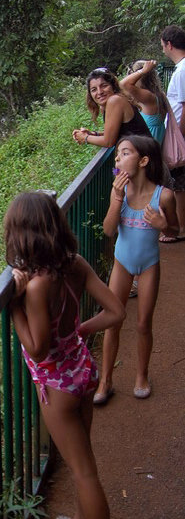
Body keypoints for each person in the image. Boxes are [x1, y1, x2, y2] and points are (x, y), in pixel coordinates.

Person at [4, 191, 127, 519]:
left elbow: (38, 348)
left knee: (83, 470)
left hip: (57, 387)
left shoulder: (37, 286)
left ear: (22, 236)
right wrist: (80, 330)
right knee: (83, 459)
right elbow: (116, 311)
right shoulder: (73, 263)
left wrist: (15, 307)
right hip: (83, 371)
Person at [94, 136, 178, 405]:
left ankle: (141, 376)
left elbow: (175, 230)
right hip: (122, 263)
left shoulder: (163, 196)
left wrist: (162, 225)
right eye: (117, 154)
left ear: (143, 161)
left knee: (143, 323)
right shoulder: (119, 192)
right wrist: (117, 198)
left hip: (149, 265)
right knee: (113, 320)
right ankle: (106, 381)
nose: (118, 158)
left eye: (124, 153)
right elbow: (109, 230)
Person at [72, 67, 150, 149]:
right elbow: (118, 133)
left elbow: (108, 142)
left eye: (104, 86)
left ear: (113, 86)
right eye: (94, 90)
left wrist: (85, 138)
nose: (99, 92)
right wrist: (93, 134)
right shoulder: (106, 106)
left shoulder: (115, 100)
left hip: (144, 153)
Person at [160, 25, 185, 240]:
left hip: (180, 135)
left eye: (162, 45)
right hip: (178, 133)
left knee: (178, 185)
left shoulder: (183, 70)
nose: (162, 50)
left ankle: (180, 228)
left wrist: (180, 135)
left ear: (169, 44)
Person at [119, 59, 170, 144]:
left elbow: (123, 85)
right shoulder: (158, 94)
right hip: (154, 143)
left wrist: (142, 71)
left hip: (147, 145)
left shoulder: (148, 96)